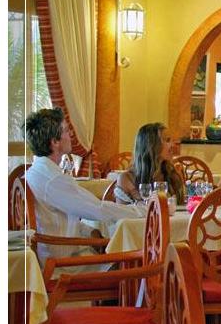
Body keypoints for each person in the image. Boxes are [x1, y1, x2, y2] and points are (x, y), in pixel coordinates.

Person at [24, 108, 144, 268]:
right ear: (55, 142)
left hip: (52, 255)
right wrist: (142, 211)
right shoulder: (53, 180)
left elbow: (58, 220)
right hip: (62, 265)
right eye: (66, 130)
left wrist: (90, 232)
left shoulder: (36, 171)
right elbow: (98, 209)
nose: (71, 135)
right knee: (138, 259)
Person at [115, 122, 186, 205]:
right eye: (167, 140)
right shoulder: (127, 179)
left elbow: (182, 208)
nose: (173, 145)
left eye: (171, 140)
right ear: (151, 145)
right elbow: (120, 212)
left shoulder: (173, 175)